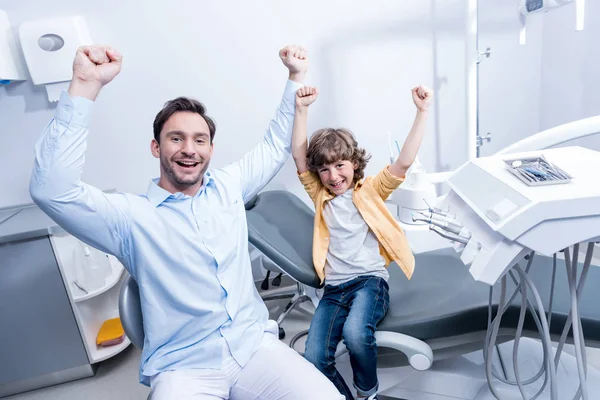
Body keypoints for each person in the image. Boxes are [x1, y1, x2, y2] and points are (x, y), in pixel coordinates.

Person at [30, 44, 344, 400]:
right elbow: (51, 189)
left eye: (200, 140)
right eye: (175, 138)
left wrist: (295, 78)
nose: (189, 149)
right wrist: (85, 87)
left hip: (253, 347)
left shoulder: (227, 187)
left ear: (210, 149)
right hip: (184, 367)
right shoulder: (129, 218)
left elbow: (274, 146)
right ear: (156, 147)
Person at [290, 85, 433, 399]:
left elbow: (404, 163)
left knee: (356, 334)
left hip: (369, 282)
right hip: (333, 290)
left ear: (354, 164)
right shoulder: (320, 195)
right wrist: (301, 110)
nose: (332, 175)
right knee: (314, 357)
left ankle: (366, 391)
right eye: (324, 169)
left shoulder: (370, 189)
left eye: (339, 165)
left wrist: (421, 112)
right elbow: (299, 157)